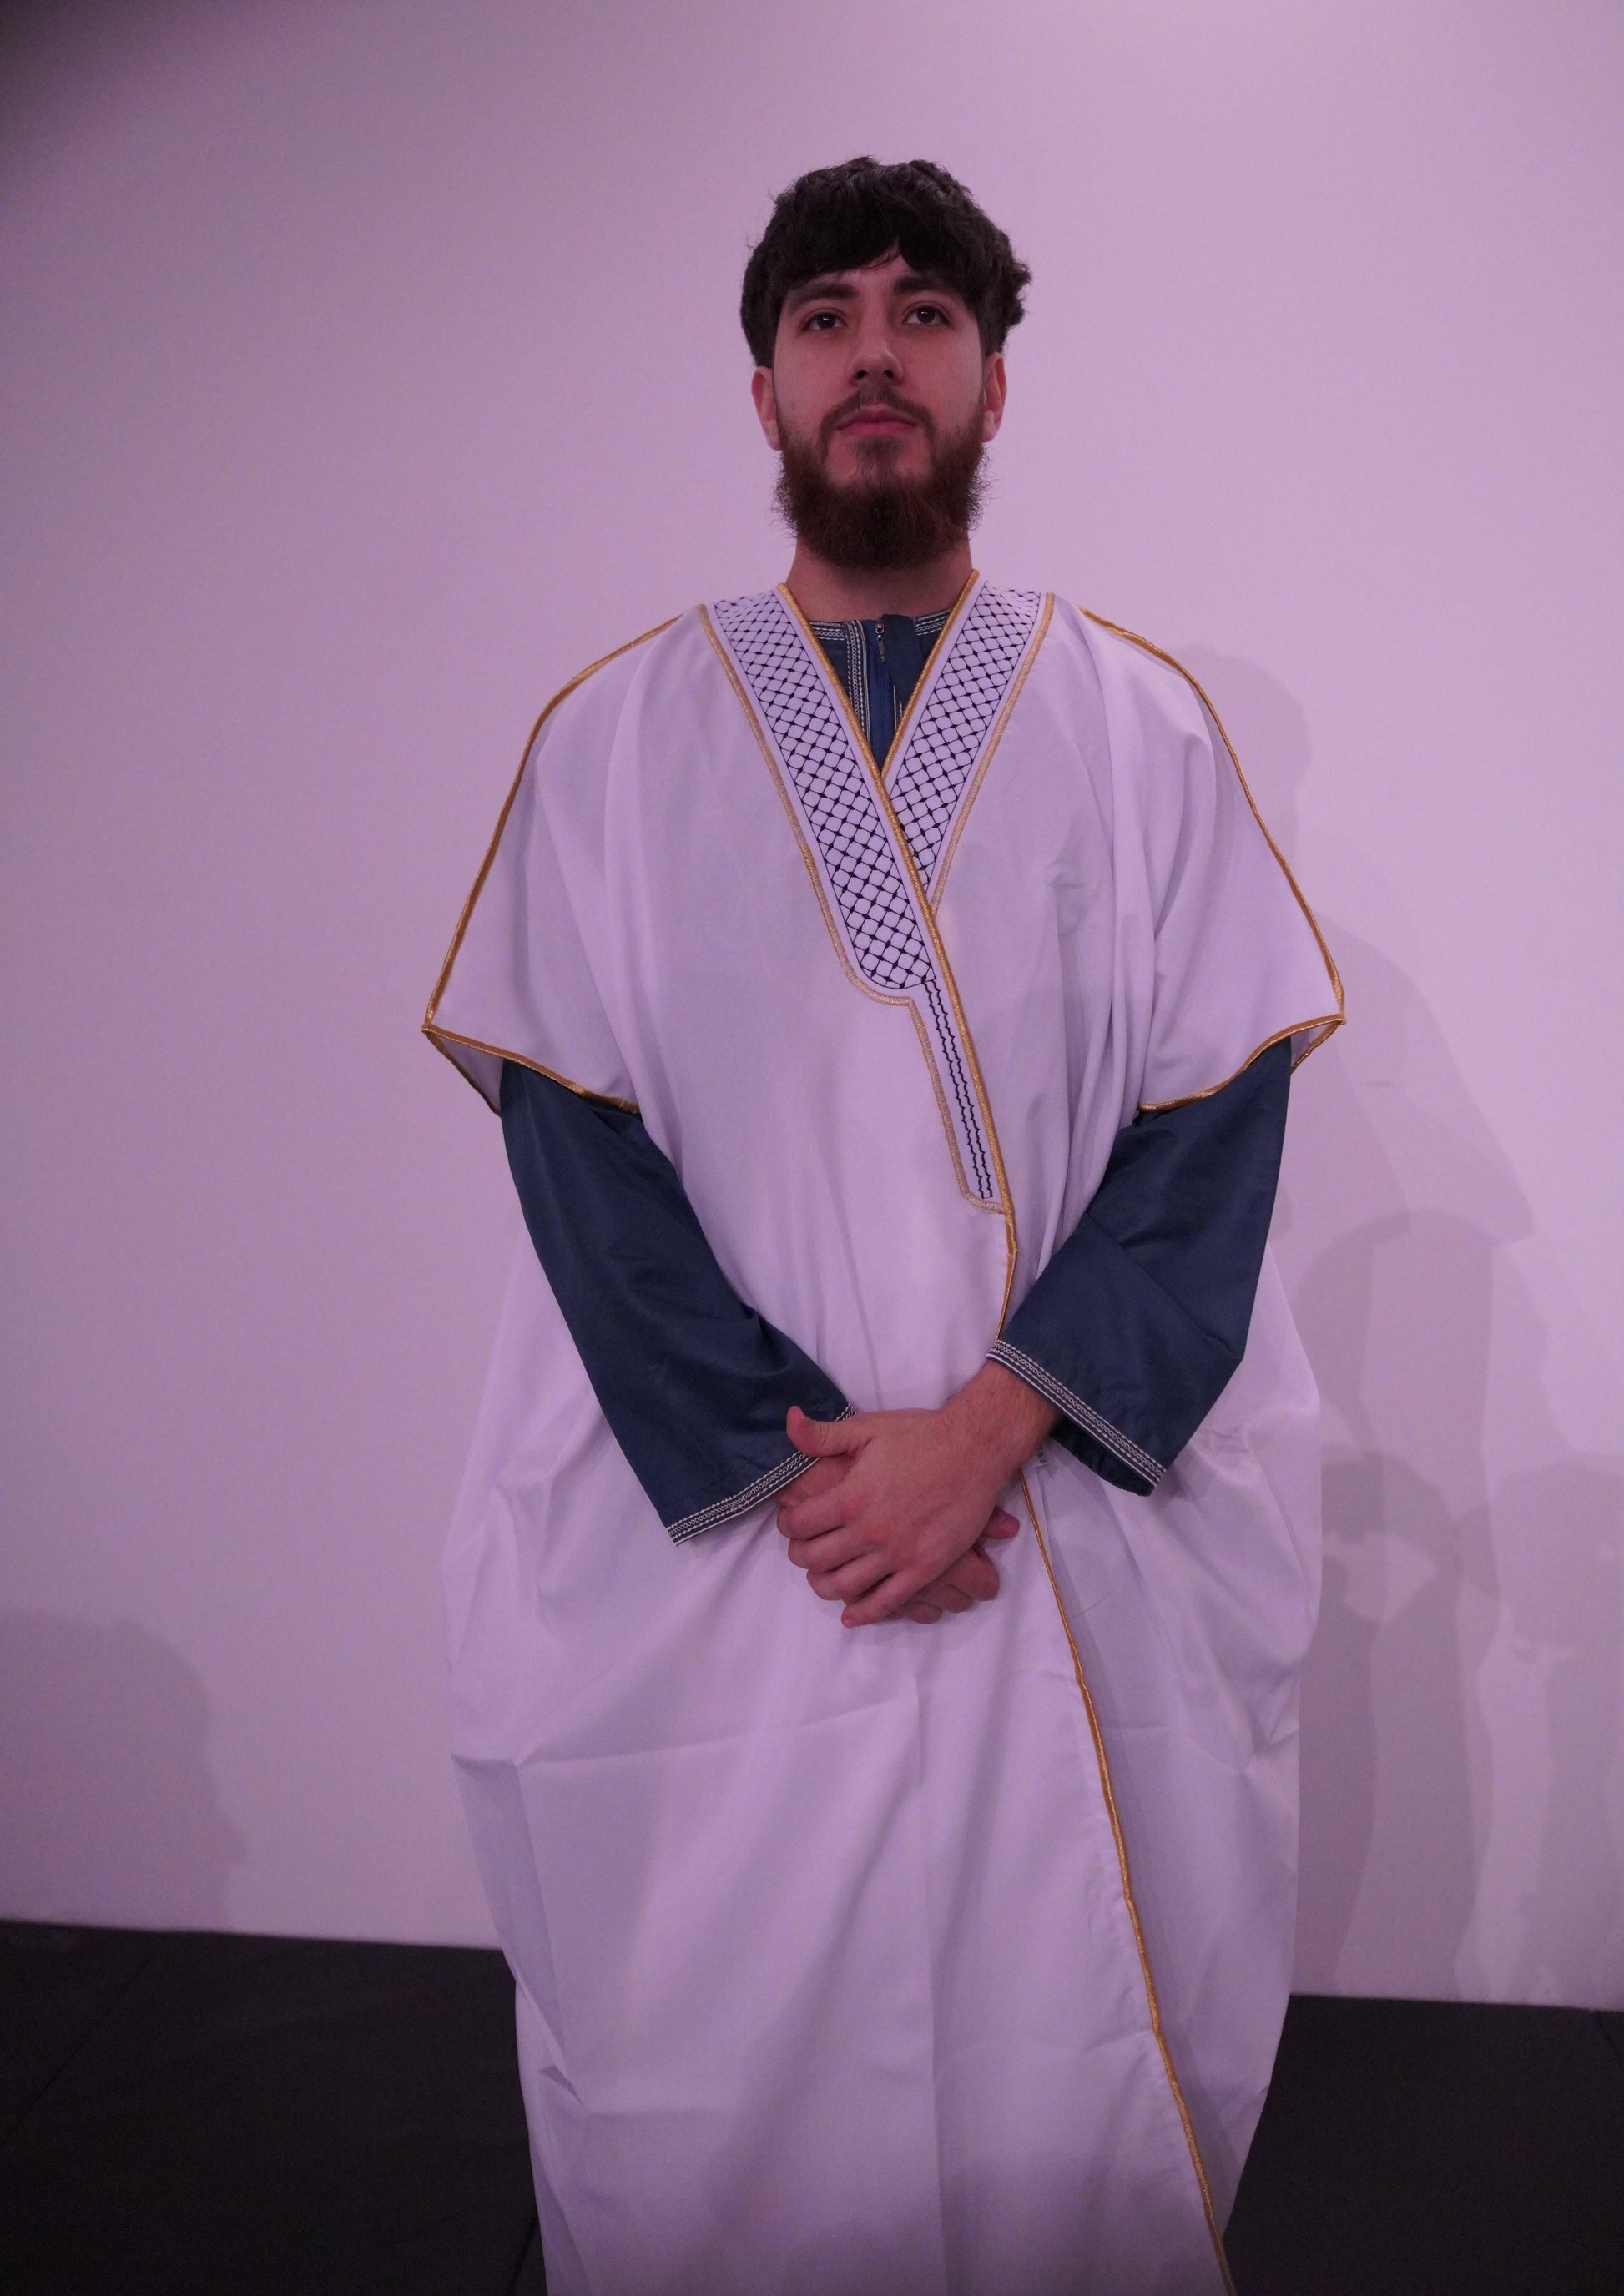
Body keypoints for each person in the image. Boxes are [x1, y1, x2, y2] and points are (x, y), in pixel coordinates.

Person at [425, 156, 1343, 2296]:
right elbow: (576, 1142)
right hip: (734, 1539)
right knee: (716, 2060)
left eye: (924, 314)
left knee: (1057, 2067)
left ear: (992, 384)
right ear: (761, 388)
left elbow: (1210, 1120)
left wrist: (989, 1426)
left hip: (1058, 1511)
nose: (873, 354)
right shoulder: (612, 737)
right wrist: (820, 1475)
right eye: (824, 316)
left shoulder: (1134, 723)